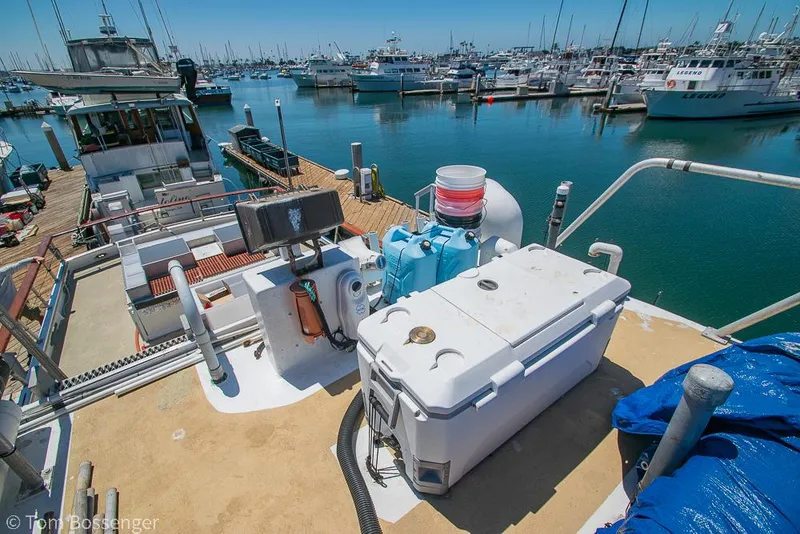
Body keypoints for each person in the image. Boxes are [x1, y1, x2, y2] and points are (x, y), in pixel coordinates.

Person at [0, 256, 45, 322]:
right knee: (14, 328)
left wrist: (33, 258)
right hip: (7, 313)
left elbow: (17, 265)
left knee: (37, 313)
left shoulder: (2, 272)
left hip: (19, 302)